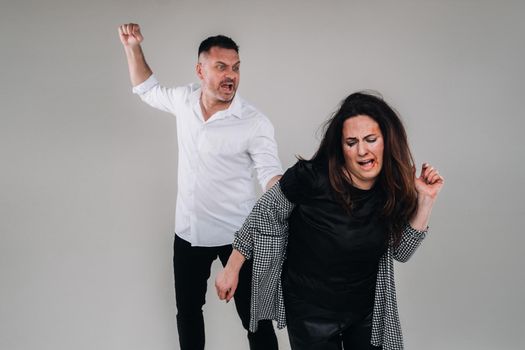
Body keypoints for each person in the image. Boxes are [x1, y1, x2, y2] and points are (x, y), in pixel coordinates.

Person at [215, 92, 444, 350]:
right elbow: (264, 214)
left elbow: (401, 252)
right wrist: (232, 268)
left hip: (365, 310)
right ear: (341, 146)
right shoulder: (310, 178)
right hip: (310, 311)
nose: (362, 151)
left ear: (386, 141)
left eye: (370, 139)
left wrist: (426, 200)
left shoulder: (391, 187)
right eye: (351, 142)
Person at [118, 23, 281, 350]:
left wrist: (283, 196)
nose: (230, 75)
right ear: (200, 70)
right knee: (188, 312)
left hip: (238, 238)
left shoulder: (254, 122)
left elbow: (271, 178)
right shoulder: (184, 100)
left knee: (255, 320)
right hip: (189, 232)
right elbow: (147, 88)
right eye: (221, 67)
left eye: (235, 68)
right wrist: (132, 47)